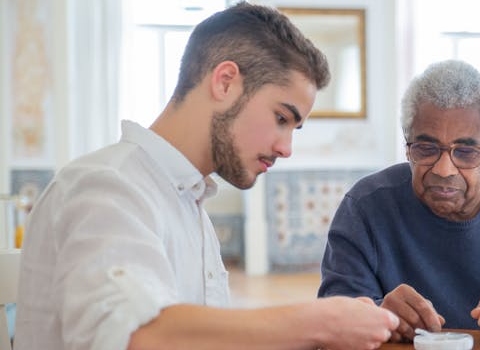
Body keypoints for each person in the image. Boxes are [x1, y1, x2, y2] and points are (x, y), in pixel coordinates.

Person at [13, 3, 398, 349]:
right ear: (225, 81)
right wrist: (320, 322)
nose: (286, 148)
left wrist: (349, 325)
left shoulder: (186, 201)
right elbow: (139, 336)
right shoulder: (106, 187)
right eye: (282, 118)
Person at [317, 59, 480, 343]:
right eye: (426, 148)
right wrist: (380, 314)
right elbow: (333, 315)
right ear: (408, 146)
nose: (444, 169)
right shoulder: (364, 206)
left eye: (466, 151)